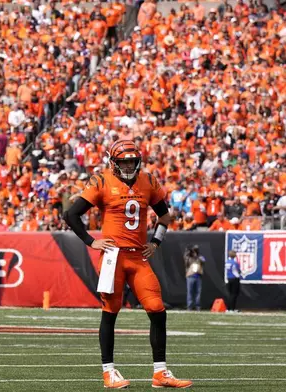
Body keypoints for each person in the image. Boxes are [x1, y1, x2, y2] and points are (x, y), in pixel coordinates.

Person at [63, 140, 191, 389]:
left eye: (132, 161)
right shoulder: (101, 181)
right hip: (113, 256)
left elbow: (164, 217)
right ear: (114, 162)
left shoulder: (149, 181)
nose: (129, 165)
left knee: (157, 309)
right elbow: (71, 214)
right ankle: (108, 372)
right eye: (124, 161)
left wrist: (156, 242)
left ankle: (160, 373)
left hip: (138, 257)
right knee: (111, 311)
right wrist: (91, 242)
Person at [184, 245, 205, 311]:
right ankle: (189, 306)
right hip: (190, 277)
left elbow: (204, 260)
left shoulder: (200, 257)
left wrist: (197, 256)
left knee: (198, 292)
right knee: (190, 292)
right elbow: (185, 258)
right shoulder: (189, 258)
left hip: (198, 277)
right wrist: (189, 252)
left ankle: (197, 306)